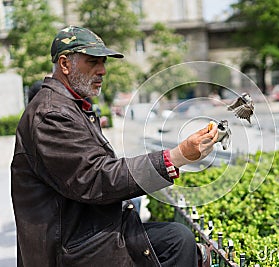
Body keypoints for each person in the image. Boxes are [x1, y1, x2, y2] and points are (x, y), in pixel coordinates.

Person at [11, 25, 218, 267]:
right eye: (93, 62)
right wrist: (176, 157)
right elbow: (96, 178)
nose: (103, 70)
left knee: (176, 239)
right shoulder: (51, 114)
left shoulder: (69, 105)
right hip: (69, 250)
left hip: (83, 235)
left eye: (103, 62)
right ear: (65, 64)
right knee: (177, 241)